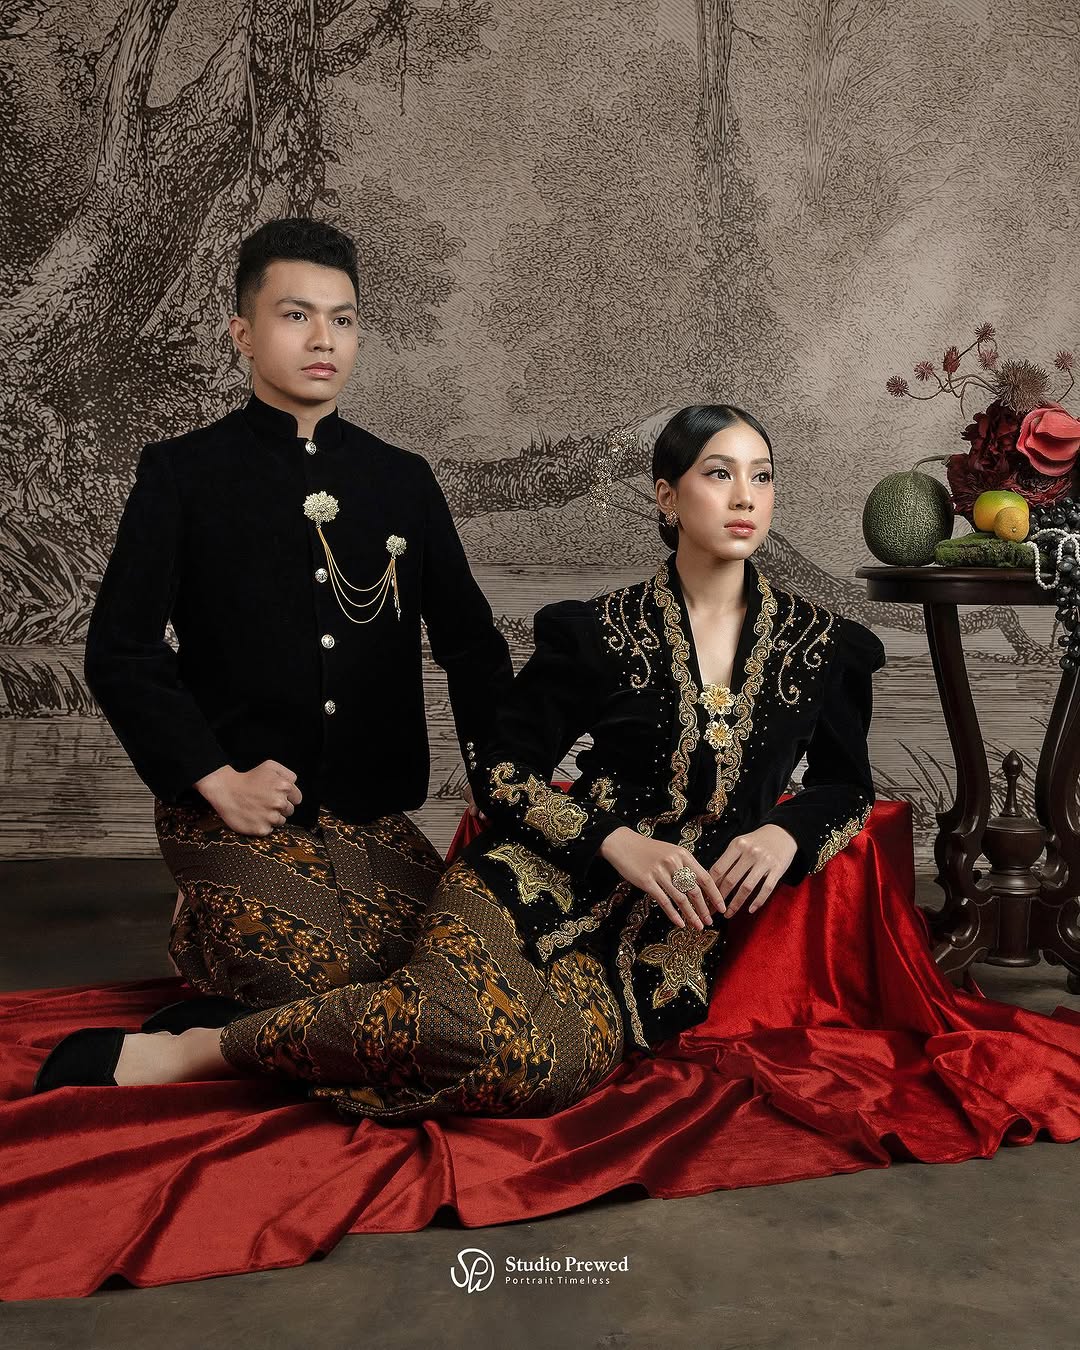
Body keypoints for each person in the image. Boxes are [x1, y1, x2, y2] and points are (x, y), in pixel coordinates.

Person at [34, 404, 884, 1111]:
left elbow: (845, 784)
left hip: (659, 950)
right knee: (448, 1017)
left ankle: (228, 1037)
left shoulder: (828, 647)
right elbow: (506, 768)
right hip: (530, 880)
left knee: (545, 1068)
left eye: (761, 476)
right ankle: (194, 1055)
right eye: (718, 473)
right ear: (667, 496)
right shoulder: (595, 633)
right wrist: (614, 842)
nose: (744, 497)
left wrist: (785, 833)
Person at [39, 217, 513, 1084]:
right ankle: (202, 983)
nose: (323, 339)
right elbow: (121, 651)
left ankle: (212, 1013)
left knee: (470, 982)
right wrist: (216, 779)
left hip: (370, 814)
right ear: (243, 334)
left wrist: (502, 796)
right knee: (344, 989)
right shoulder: (183, 474)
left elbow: (475, 649)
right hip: (232, 808)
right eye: (296, 316)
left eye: (343, 319)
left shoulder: (401, 479)